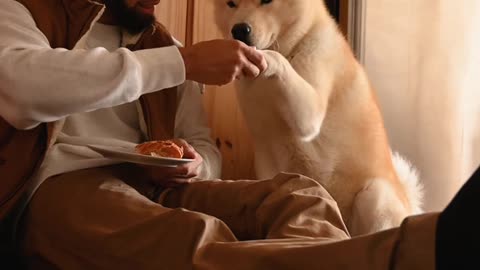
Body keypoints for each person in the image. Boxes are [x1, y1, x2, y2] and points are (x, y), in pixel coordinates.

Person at [0, 0, 477, 269]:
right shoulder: (24, 12)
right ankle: (424, 251)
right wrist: (182, 63)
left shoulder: (162, 45)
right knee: (198, 239)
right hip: (59, 186)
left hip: (157, 184)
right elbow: (19, 90)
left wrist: (195, 163)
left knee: (299, 197)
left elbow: (205, 148)